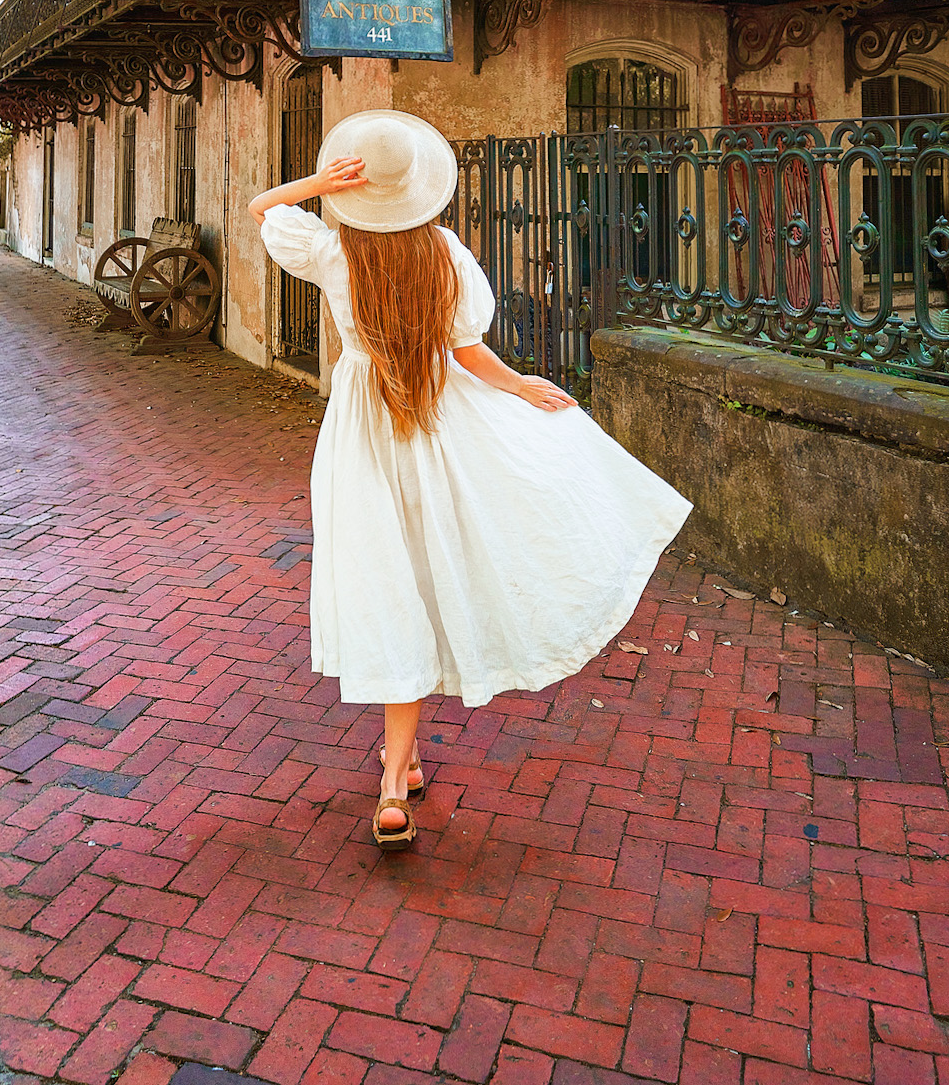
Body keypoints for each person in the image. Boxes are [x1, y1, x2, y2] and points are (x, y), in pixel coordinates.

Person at [249, 109, 691, 852]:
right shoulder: (445, 253)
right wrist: (520, 387)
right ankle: (404, 761)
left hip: (363, 429)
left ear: (354, 191)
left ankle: (395, 782)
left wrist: (319, 184)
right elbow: (469, 350)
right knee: (422, 576)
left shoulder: (331, 252)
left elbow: (264, 209)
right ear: (418, 191)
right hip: (432, 421)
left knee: (390, 583)